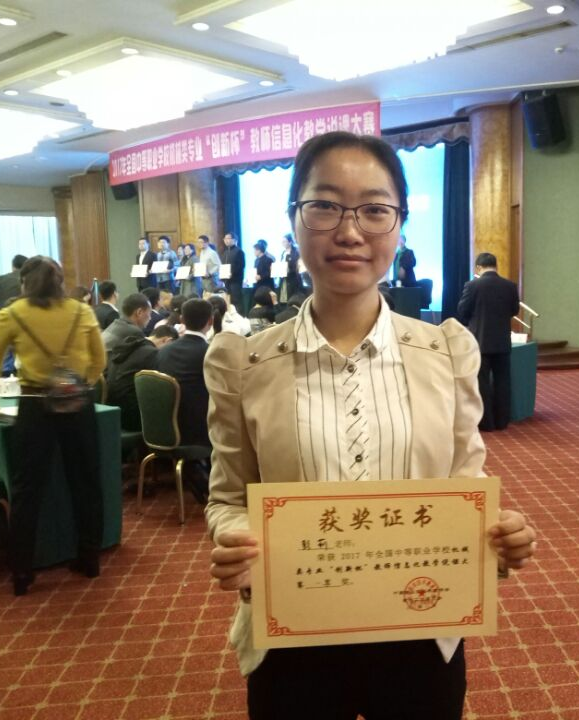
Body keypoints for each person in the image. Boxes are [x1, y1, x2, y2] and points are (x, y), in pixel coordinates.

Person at [205, 131, 536, 720]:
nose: (350, 231)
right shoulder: (245, 364)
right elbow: (229, 496)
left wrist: (498, 537)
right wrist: (235, 538)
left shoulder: (445, 353)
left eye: (375, 210)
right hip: (293, 635)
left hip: (421, 629)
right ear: (294, 219)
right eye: (325, 205)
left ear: (399, 225)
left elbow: (464, 483)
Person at [0, 256, 106, 595]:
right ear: (61, 282)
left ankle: (22, 571)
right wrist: (79, 384)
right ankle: (90, 558)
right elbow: (99, 361)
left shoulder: (11, 314)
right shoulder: (81, 311)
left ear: (23, 282)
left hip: (34, 405)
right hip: (78, 404)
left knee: (27, 489)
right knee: (86, 482)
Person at [457, 253, 521, 432]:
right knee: (503, 381)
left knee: (482, 382)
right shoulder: (509, 286)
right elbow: (514, 310)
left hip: (480, 342)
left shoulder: (472, 286)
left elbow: (462, 310)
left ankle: (487, 423)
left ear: (478, 267)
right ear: (495, 266)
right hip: (502, 341)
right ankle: (502, 421)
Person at [157, 298, 213, 449]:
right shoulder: (210, 353)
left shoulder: (164, 351)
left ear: (181, 320)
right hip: (199, 431)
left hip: (163, 426)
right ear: (211, 321)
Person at [106, 324, 178, 432]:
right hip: (131, 416)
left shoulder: (129, 345)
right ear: (167, 340)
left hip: (111, 407)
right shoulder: (152, 353)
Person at [220, 232, 246, 312]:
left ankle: (239, 316)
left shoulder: (239, 251)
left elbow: (241, 266)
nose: (226, 240)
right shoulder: (225, 252)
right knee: (228, 300)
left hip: (235, 281)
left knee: (236, 300)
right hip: (226, 281)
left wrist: (232, 273)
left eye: (228, 238)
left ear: (234, 240)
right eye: (225, 239)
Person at [278, 233, 304, 303]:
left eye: (284, 241)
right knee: (284, 299)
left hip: (293, 279)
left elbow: (298, 266)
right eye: (282, 242)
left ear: (290, 242)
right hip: (284, 279)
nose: (283, 243)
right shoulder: (283, 253)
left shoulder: (296, 252)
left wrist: (289, 269)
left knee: (293, 299)